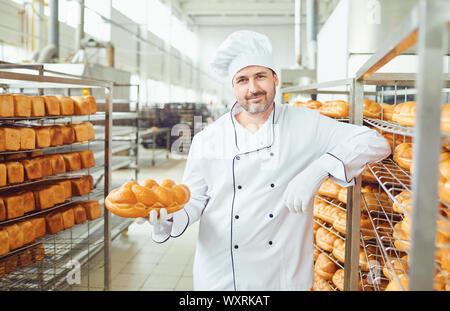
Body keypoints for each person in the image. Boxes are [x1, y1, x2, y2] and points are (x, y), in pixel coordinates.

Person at [144, 30, 391, 291]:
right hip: (222, 274)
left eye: (260, 76)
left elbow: (376, 142)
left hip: (282, 276)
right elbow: (194, 199)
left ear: (275, 79)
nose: (253, 88)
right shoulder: (207, 138)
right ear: (234, 87)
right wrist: (167, 219)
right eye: (242, 80)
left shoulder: (305, 123)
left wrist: (319, 169)